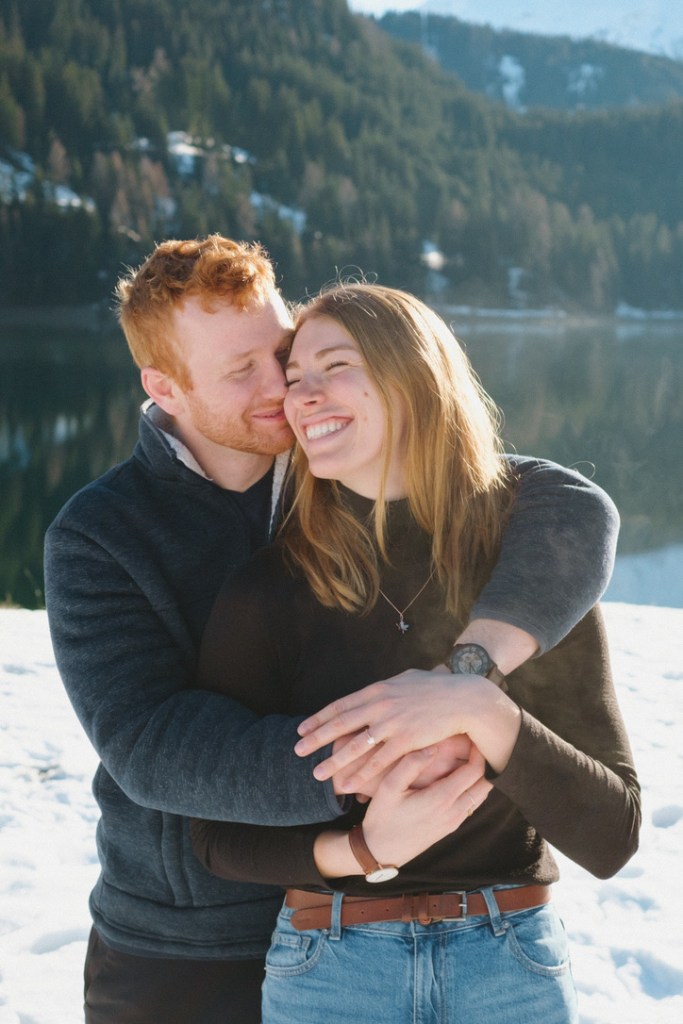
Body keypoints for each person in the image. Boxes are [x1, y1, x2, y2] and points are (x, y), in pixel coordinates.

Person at [44, 235, 620, 1024]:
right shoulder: (102, 534)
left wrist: (467, 680)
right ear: (164, 388)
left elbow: (564, 503)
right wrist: (384, 758)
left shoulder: (345, 470)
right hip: (188, 943)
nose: (281, 388)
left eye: (280, 355)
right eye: (240, 372)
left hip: (374, 926)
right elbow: (152, 747)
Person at [192, 282, 640, 1024]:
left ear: (415, 376)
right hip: (329, 967)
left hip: (509, 961)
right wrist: (364, 848)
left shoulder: (528, 575)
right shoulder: (268, 589)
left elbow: (612, 834)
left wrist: (481, 709)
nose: (304, 395)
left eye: (336, 365)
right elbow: (213, 837)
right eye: (294, 378)